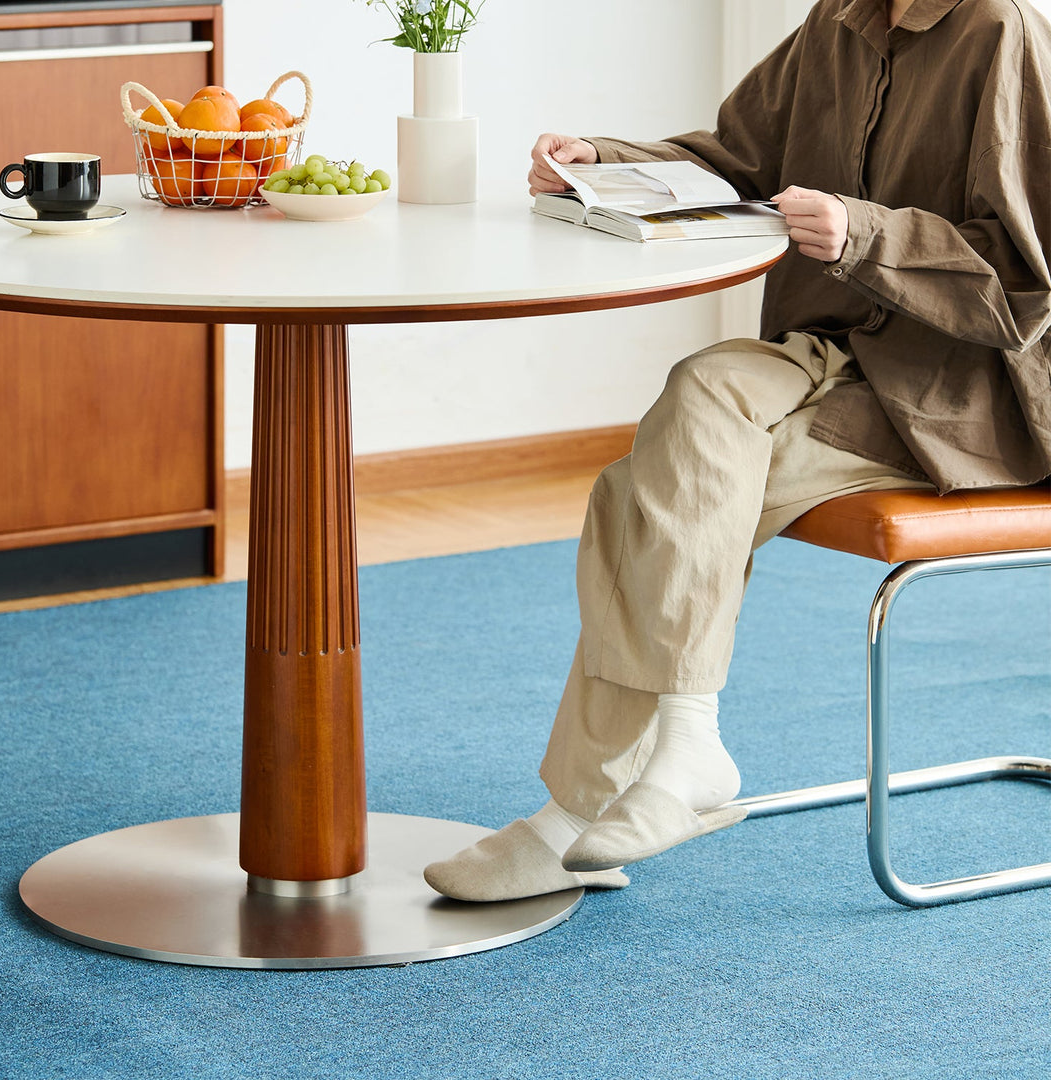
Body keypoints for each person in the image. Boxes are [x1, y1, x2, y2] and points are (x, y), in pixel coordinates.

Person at [424, 0, 1051, 902]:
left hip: (956, 392)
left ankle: (573, 819)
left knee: (648, 493)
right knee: (699, 402)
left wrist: (865, 232)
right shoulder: (841, 18)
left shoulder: (1003, 32)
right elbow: (734, 160)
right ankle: (682, 748)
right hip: (832, 354)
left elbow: (1025, 285)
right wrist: (609, 164)